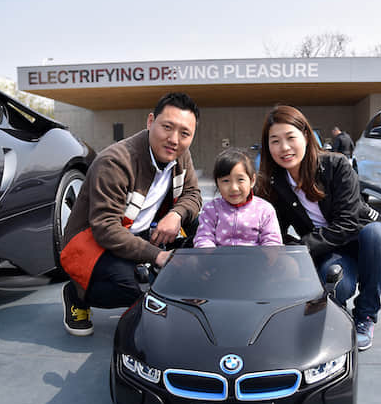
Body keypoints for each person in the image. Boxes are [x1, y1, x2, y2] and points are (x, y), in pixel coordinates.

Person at [256, 105, 381, 351]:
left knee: (377, 233)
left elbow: (348, 222)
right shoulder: (274, 182)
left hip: (362, 242)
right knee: (337, 286)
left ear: (306, 136)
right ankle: (338, 311)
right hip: (329, 251)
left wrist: (302, 246)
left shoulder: (336, 165)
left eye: (290, 137)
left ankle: (366, 315)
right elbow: (274, 231)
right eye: (275, 141)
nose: (284, 147)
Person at [59, 92, 202, 336]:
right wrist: (158, 256)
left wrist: (176, 214)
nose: (174, 139)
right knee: (140, 290)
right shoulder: (115, 162)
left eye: (184, 133)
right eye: (167, 127)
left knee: (200, 226)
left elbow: (193, 194)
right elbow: (105, 228)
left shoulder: (180, 154)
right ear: (150, 121)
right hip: (94, 244)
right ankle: (76, 294)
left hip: (142, 234)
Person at [194, 148, 282, 247]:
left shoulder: (264, 210)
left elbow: (272, 241)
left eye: (240, 179)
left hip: (255, 257)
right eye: (226, 181)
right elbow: (203, 238)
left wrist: (267, 251)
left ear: (252, 180)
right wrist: (208, 251)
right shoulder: (211, 209)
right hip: (219, 257)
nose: (234, 188)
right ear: (217, 183)